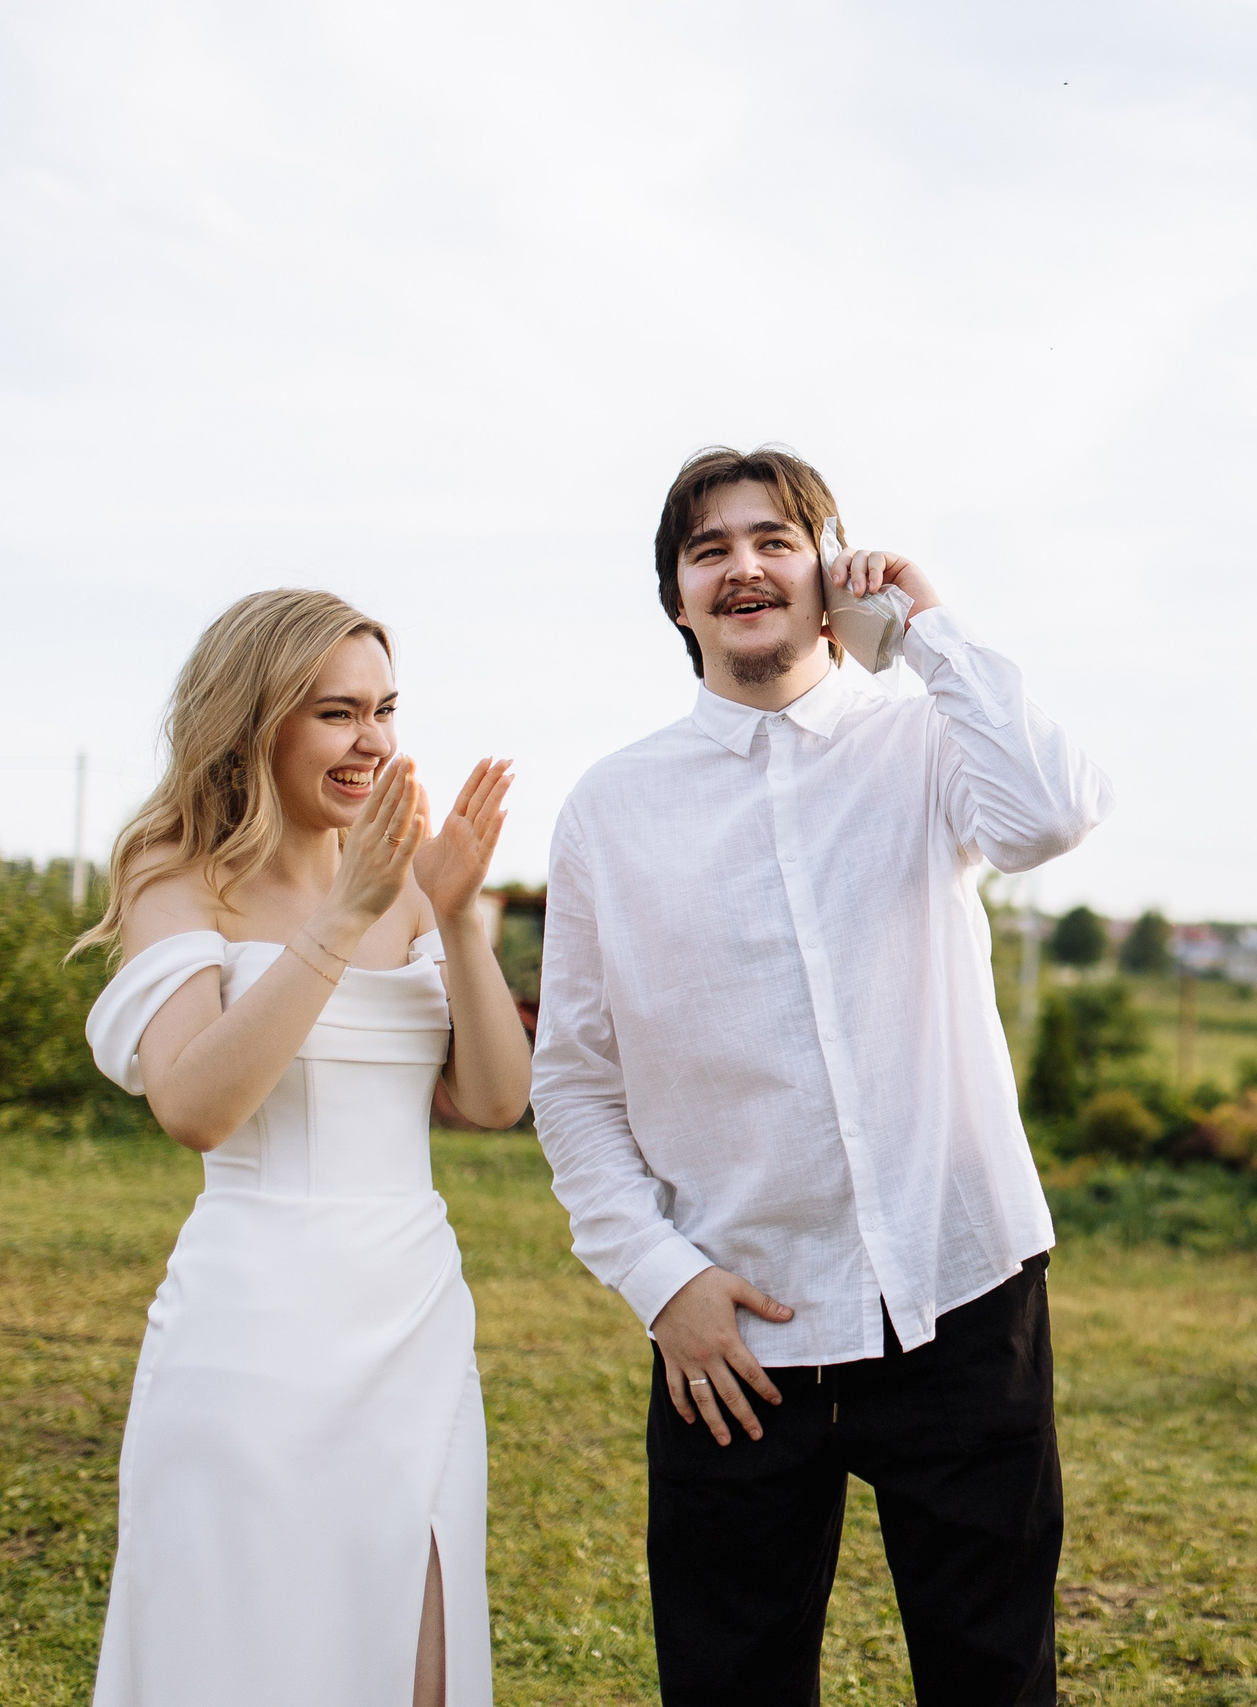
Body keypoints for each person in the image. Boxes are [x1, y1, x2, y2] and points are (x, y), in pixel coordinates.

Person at [532, 446, 1111, 1707]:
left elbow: (1051, 815)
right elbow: (574, 1082)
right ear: (677, 600)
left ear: (828, 572)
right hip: (733, 1333)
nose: (743, 567)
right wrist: (659, 1280)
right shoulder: (609, 811)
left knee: (996, 1681)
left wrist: (925, 628)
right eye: (709, 551)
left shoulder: (925, 741)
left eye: (774, 540)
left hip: (960, 1294)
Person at [78, 589, 530, 1707]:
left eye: (384, 709)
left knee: (417, 1652)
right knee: (244, 1650)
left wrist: (454, 912)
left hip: (414, 1315)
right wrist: (339, 921)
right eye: (336, 713)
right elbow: (196, 1106)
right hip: (251, 1328)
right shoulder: (178, 880)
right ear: (255, 723)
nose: (373, 740)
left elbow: (493, 1098)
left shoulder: (408, 882)